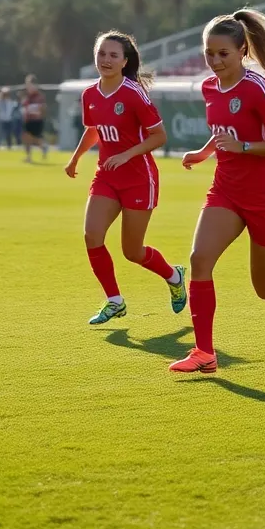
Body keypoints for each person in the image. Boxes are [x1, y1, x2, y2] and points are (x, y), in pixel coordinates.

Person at [172, 9, 265, 374]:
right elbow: (224, 129)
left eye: (223, 53)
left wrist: (245, 148)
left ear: (242, 51)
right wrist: (206, 151)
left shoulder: (258, 87)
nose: (215, 61)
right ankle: (204, 352)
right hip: (225, 190)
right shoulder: (209, 87)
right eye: (209, 53)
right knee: (199, 260)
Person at [65, 31, 187, 325]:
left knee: (132, 251)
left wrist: (127, 154)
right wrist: (76, 157)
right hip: (106, 177)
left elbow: (159, 136)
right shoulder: (90, 94)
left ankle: (173, 275)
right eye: (101, 54)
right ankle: (114, 301)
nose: (106, 60)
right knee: (91, 236)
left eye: (113, 55)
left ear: (124, 61)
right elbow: (94, 129)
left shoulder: (133, 93)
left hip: (138, 178)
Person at [22, 77, 49, 162]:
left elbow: (43, 108)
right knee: (26, 138)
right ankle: (28, 157)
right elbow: (25, 106)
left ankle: (43, 147)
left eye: (30, 84)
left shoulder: (39, 96)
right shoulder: (26, 96)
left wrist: (40, 113)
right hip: (28, 120)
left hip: (37, 120)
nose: (28, 86)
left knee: (36, 139)